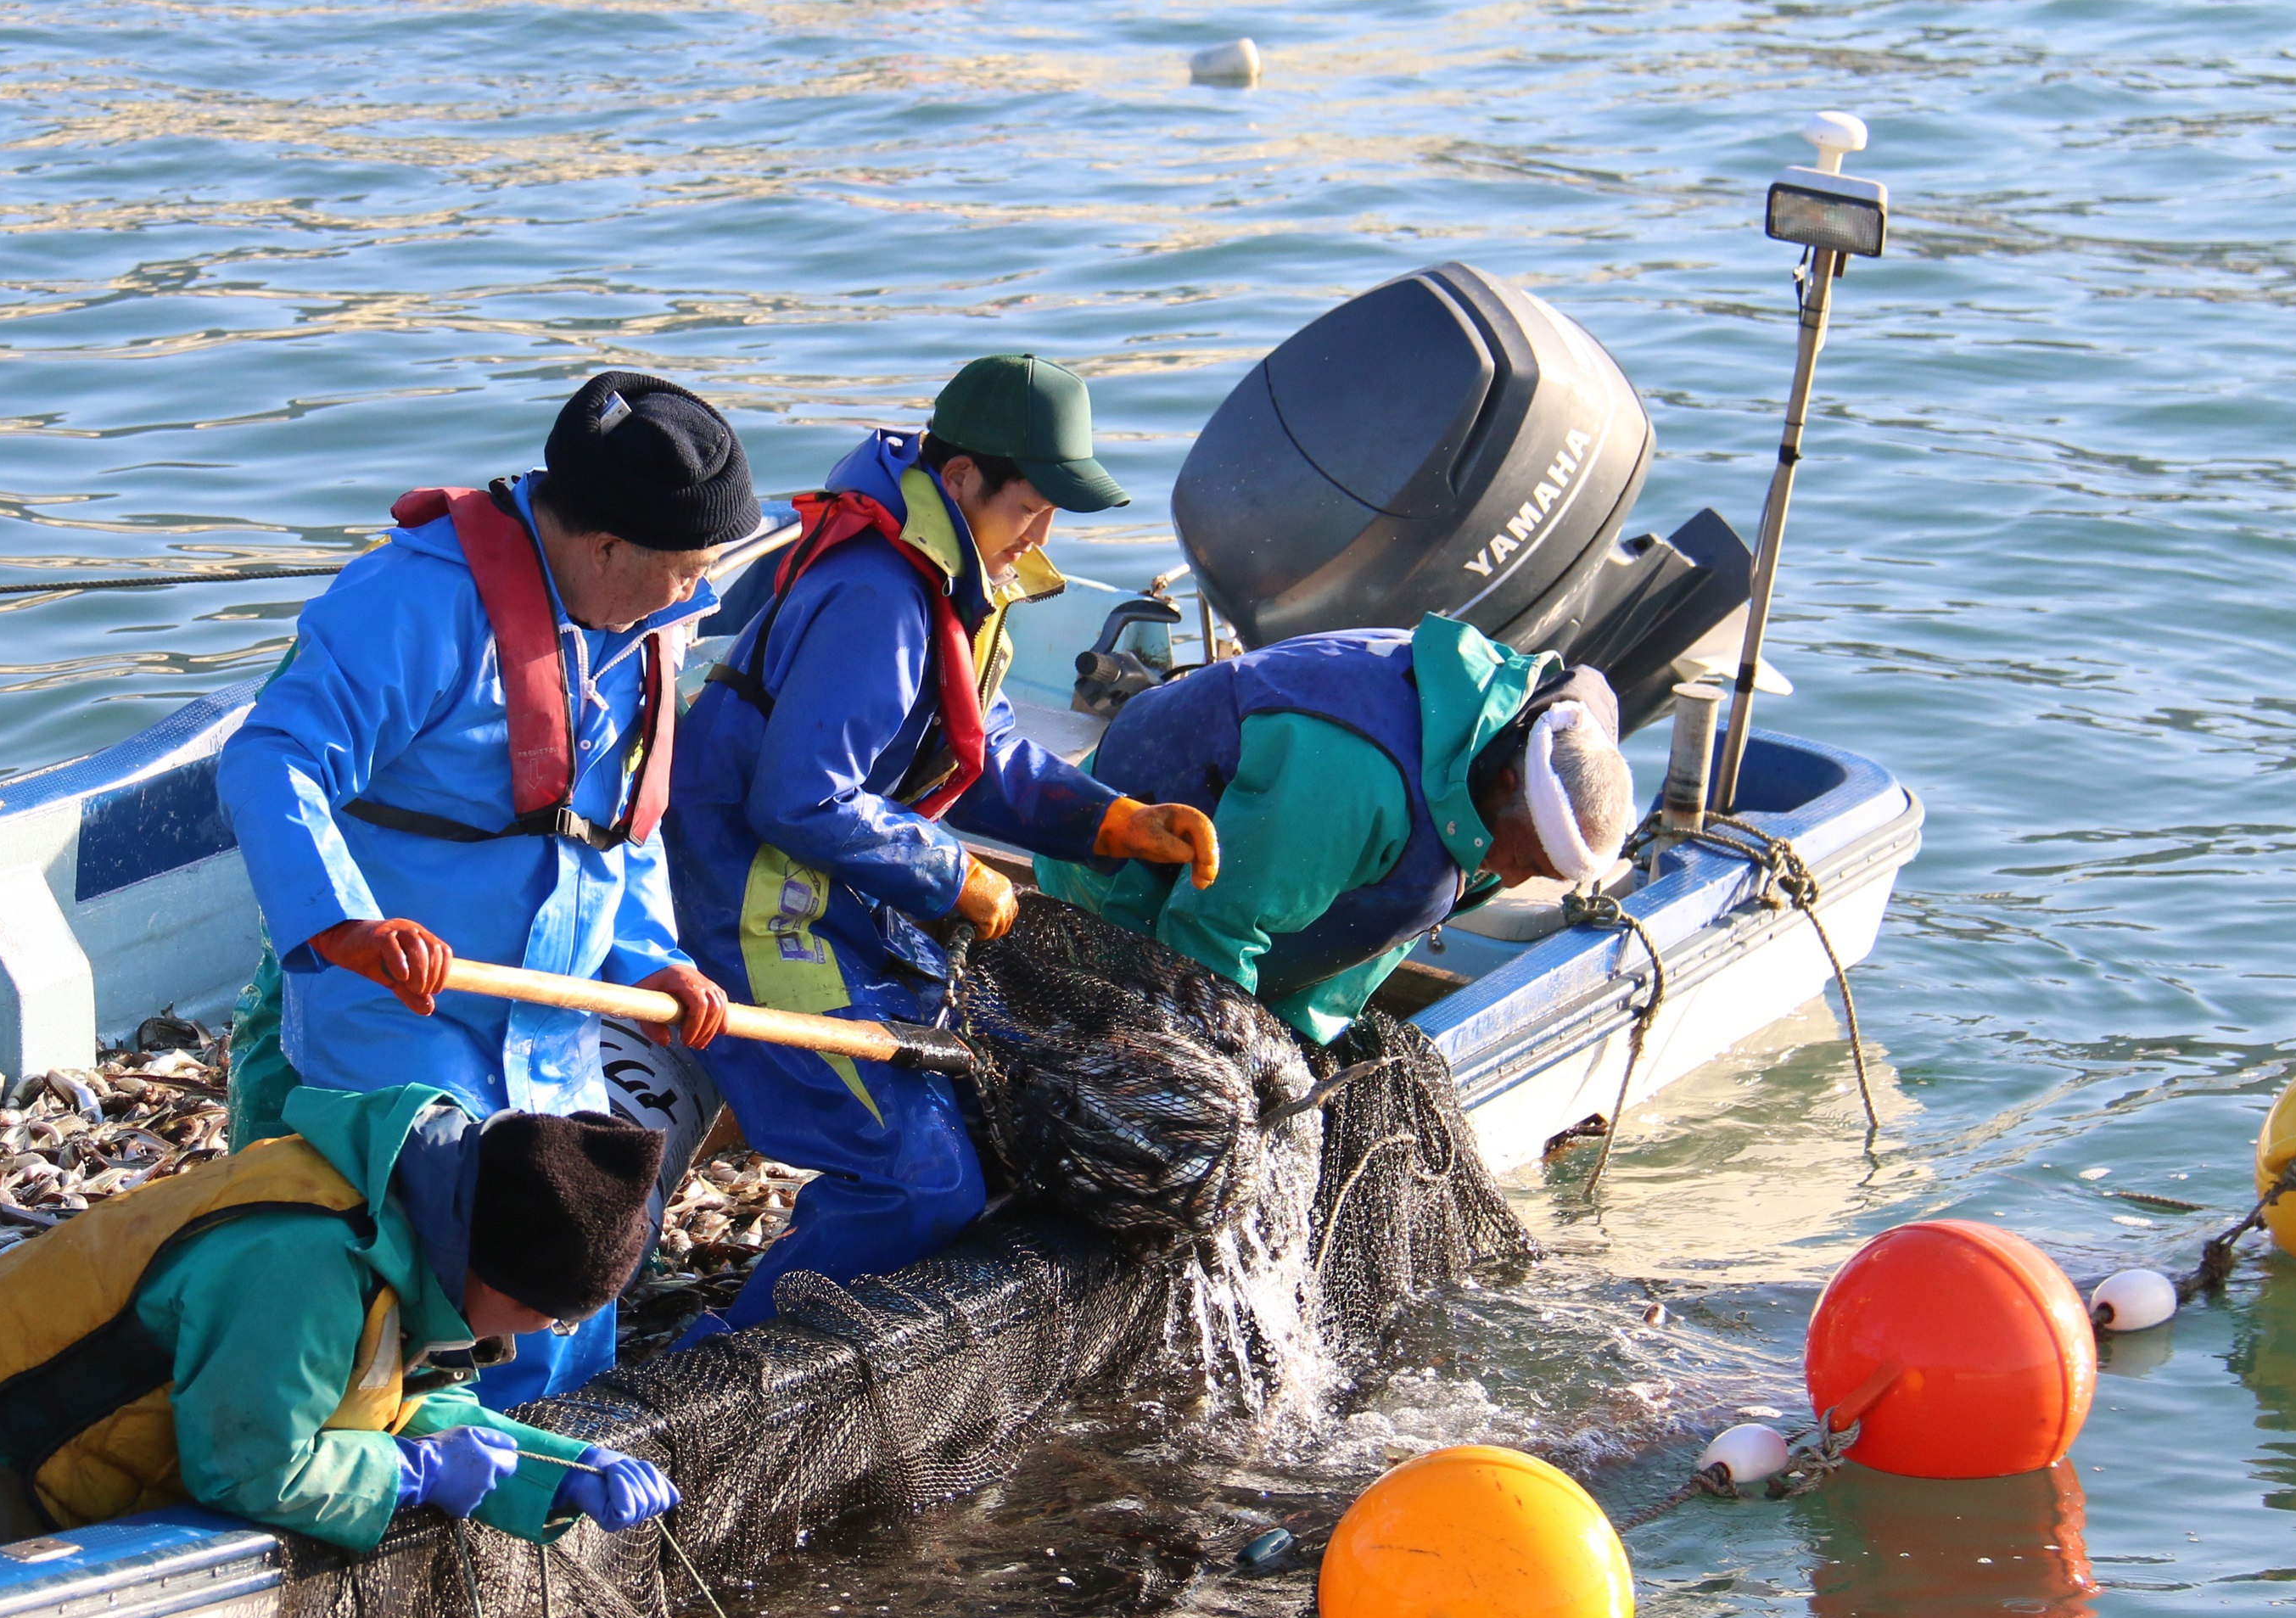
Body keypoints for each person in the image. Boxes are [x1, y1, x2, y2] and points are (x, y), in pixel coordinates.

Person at [217, 372, 760, 1404]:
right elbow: (270, 760)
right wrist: (345, 923)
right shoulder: (410, 606)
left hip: (553, 1028)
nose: (695, 598)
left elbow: (621, 827)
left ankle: (543, 1479)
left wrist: (659, 959)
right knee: (440, 1263)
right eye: (685, 574)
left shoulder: (641, 629)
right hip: (405, 1013)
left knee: (578, 1264)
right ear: (605, 548)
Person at [662, 355, 1218, 1328]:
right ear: (960, 483)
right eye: (1030, 510)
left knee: (963, 1127)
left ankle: (809, 1288)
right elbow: (801, 798)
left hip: (834, 886)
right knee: (918, 1183)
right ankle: (723, 1364)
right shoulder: (877, 595)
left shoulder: (951, 568)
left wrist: (1109, 821)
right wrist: (952, 873)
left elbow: (972, 747)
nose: (1040, 536)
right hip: (754, 897)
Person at [0, 1083, 680, 1559]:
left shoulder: (414, 1230)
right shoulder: (307, 1261)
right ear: (495, 1267)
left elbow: (409, 1406)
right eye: (544, 1315)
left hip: (112, 1456)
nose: (532, 1336)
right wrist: (412, 1474)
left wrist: (560, 1468)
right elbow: (252, 1470)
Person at [1034, 619, 1637, 1044]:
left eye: (1540, 877)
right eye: (1526, 859)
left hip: (1278, 873)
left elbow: (1408, 906)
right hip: (1115, 880)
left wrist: (1297, 1043)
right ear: (1505, 781)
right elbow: (1212, 923)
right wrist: (1227, 1057)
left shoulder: (1496, 772)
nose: (1511, 879)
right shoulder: (1351, 776)